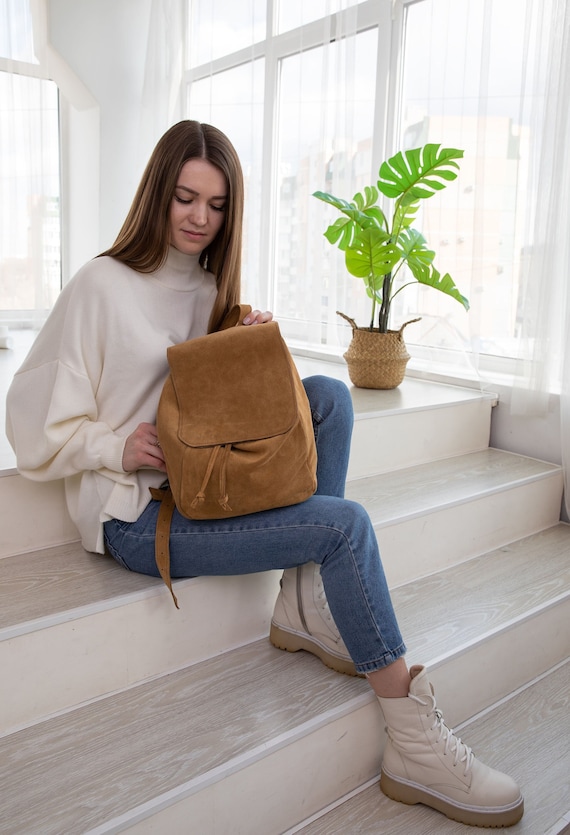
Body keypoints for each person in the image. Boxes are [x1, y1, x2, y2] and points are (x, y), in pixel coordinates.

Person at [6, 120, 523, 829]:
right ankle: (411, 736)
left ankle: (304, 604)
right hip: (139, 514)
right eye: (185, 197)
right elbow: (29, 419)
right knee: (345, 528)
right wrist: (112, 445)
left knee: (330, 399)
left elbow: (209, 407)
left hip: (208, 482)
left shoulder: (211, 283)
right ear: (158, 193)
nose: (198, 218)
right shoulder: (101, 283)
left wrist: (249, 349)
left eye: (216, 205)